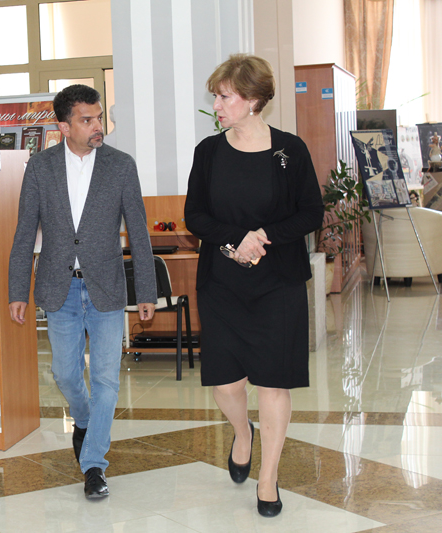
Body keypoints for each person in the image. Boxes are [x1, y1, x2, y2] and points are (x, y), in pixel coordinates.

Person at [184, 54, 324, 517]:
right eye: (216, 97)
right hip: (222, 282)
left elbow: (311, 213)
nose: (216, 105)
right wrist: (235, 239)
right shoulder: (209, 152)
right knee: (226, 383)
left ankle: (268, 477)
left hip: (278, 281)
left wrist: (262, 236)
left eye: (224, 97)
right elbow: (194, 215)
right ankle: (242, 433)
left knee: (273, 382)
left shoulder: (290, 150)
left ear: (252, 99)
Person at [8, 84, 157, 499]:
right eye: (87, 120)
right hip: (60, 288)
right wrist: (18, 290)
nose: (97, 127)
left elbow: (139, 232)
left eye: (99, 118)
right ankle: (85, 418)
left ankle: (93, 464)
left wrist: (145, 290)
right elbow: (24, 233)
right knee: (66, 374)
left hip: (106, 287)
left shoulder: (120, 166)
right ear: (63, 126)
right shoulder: (40, 168)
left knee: (106, 378)